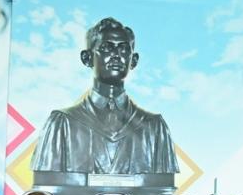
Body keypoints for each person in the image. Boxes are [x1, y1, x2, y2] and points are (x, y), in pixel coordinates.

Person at [30, 17, 179, 176]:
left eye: (123, 49)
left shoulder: (154, 127)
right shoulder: (62, 124)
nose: (116, 55)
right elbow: (47, 184)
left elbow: (162, 187)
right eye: (107, 48)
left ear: (133, 60)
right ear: (87, 58)